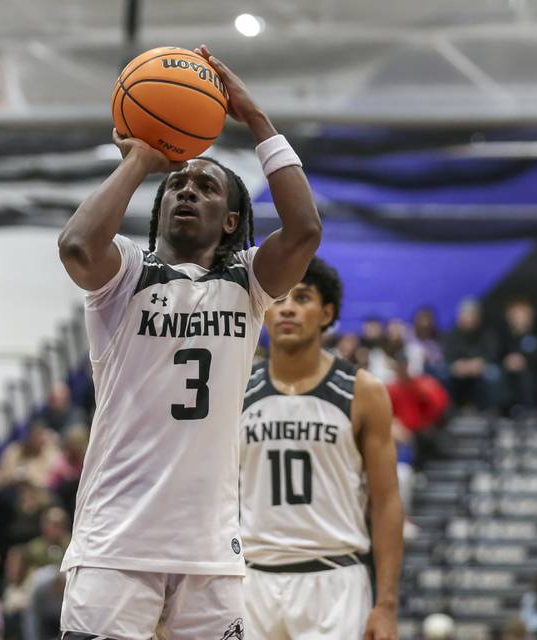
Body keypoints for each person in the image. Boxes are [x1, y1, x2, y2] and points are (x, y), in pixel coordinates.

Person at [56, 43, 321, 639]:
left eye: (204, 186)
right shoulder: (126, 273)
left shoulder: (248, 282)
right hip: (114, 543)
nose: (186, 190)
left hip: (209, 549)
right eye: (177, 184)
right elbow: (76, 246)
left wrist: (257, 119)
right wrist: (142, 160)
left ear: (231, 219)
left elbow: (304, 231)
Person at [240, 258, 403, 640]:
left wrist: (387, 604)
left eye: (303, 297)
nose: (288, 308)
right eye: (278, 299)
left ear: (326, 313)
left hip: (334, 579)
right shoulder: (236, 386)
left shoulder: (363, 391)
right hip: (250, 579)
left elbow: (387, 502)